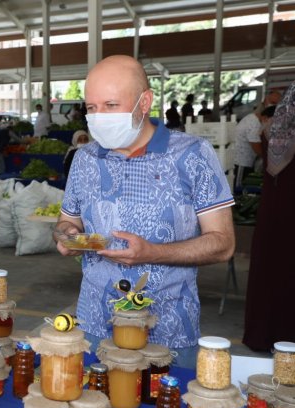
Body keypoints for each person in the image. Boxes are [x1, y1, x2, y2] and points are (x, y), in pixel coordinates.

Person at [55, 55, 235, 368]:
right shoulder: (85, 159)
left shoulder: (192, 155)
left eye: (111, 105)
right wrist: (67, 235)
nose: (99, 118)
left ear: (145, 102)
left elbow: (223, 243)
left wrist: (152, 252)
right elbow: (67, 220)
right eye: (92, 108)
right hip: (94, 327)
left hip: (169, 331)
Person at [243, 82, 295, 351]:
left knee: (274, 272)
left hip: (275, 212)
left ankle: (266, 333)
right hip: (283, 211)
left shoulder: (273, 128)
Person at [234, 105, 270, 188]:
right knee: (239, 187)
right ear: (265, 117)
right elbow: (257, 148)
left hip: (246, 160)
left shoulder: (252, 118)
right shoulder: (254, 124)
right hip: (241, 162)